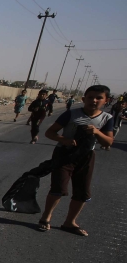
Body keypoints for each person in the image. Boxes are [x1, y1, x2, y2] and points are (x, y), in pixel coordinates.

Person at [37, 85, 115, 236]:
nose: (94, 100)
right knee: (58, 188)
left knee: (82, 191)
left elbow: (108, 142)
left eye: (99, 97)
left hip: (86, 156)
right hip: (64, 154)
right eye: (91, 97)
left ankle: (70, 222)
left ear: (106, 100)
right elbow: (50, 132)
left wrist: (97, 132)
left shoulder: (107, 118)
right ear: (84, 99)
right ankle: (46, 218)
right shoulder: (71, 114)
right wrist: (64, 140)